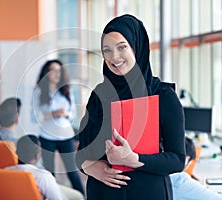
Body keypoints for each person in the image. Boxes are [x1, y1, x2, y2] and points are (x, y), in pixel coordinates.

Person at [75, 14, 186, 200]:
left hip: (147, 193)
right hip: (102, 193)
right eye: (107, 50)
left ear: (137, 47)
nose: (114, 57)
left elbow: (177, 160)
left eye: (122, 47)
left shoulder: (163, 96)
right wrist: (89, 167)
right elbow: (80, 153)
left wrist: (134, 160)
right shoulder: (98, 96)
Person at [32, 59, 84, 194]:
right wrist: (54, 114)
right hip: (47, 136)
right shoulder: (39, 92)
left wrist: (65, 114)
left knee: (72, 171)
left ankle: (83, 197)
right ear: (47, 73)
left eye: (59, 71)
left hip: (65, 135)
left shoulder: (66, 90)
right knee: (50, 173)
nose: (57, 74)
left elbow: (72, 113)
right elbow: (35, 117)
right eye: (53, 70)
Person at [5, 135, 84, 200]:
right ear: (37, 155)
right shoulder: (43, 176)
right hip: (48, 188)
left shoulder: (5, 171)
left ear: (16, 152)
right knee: (78, 196)